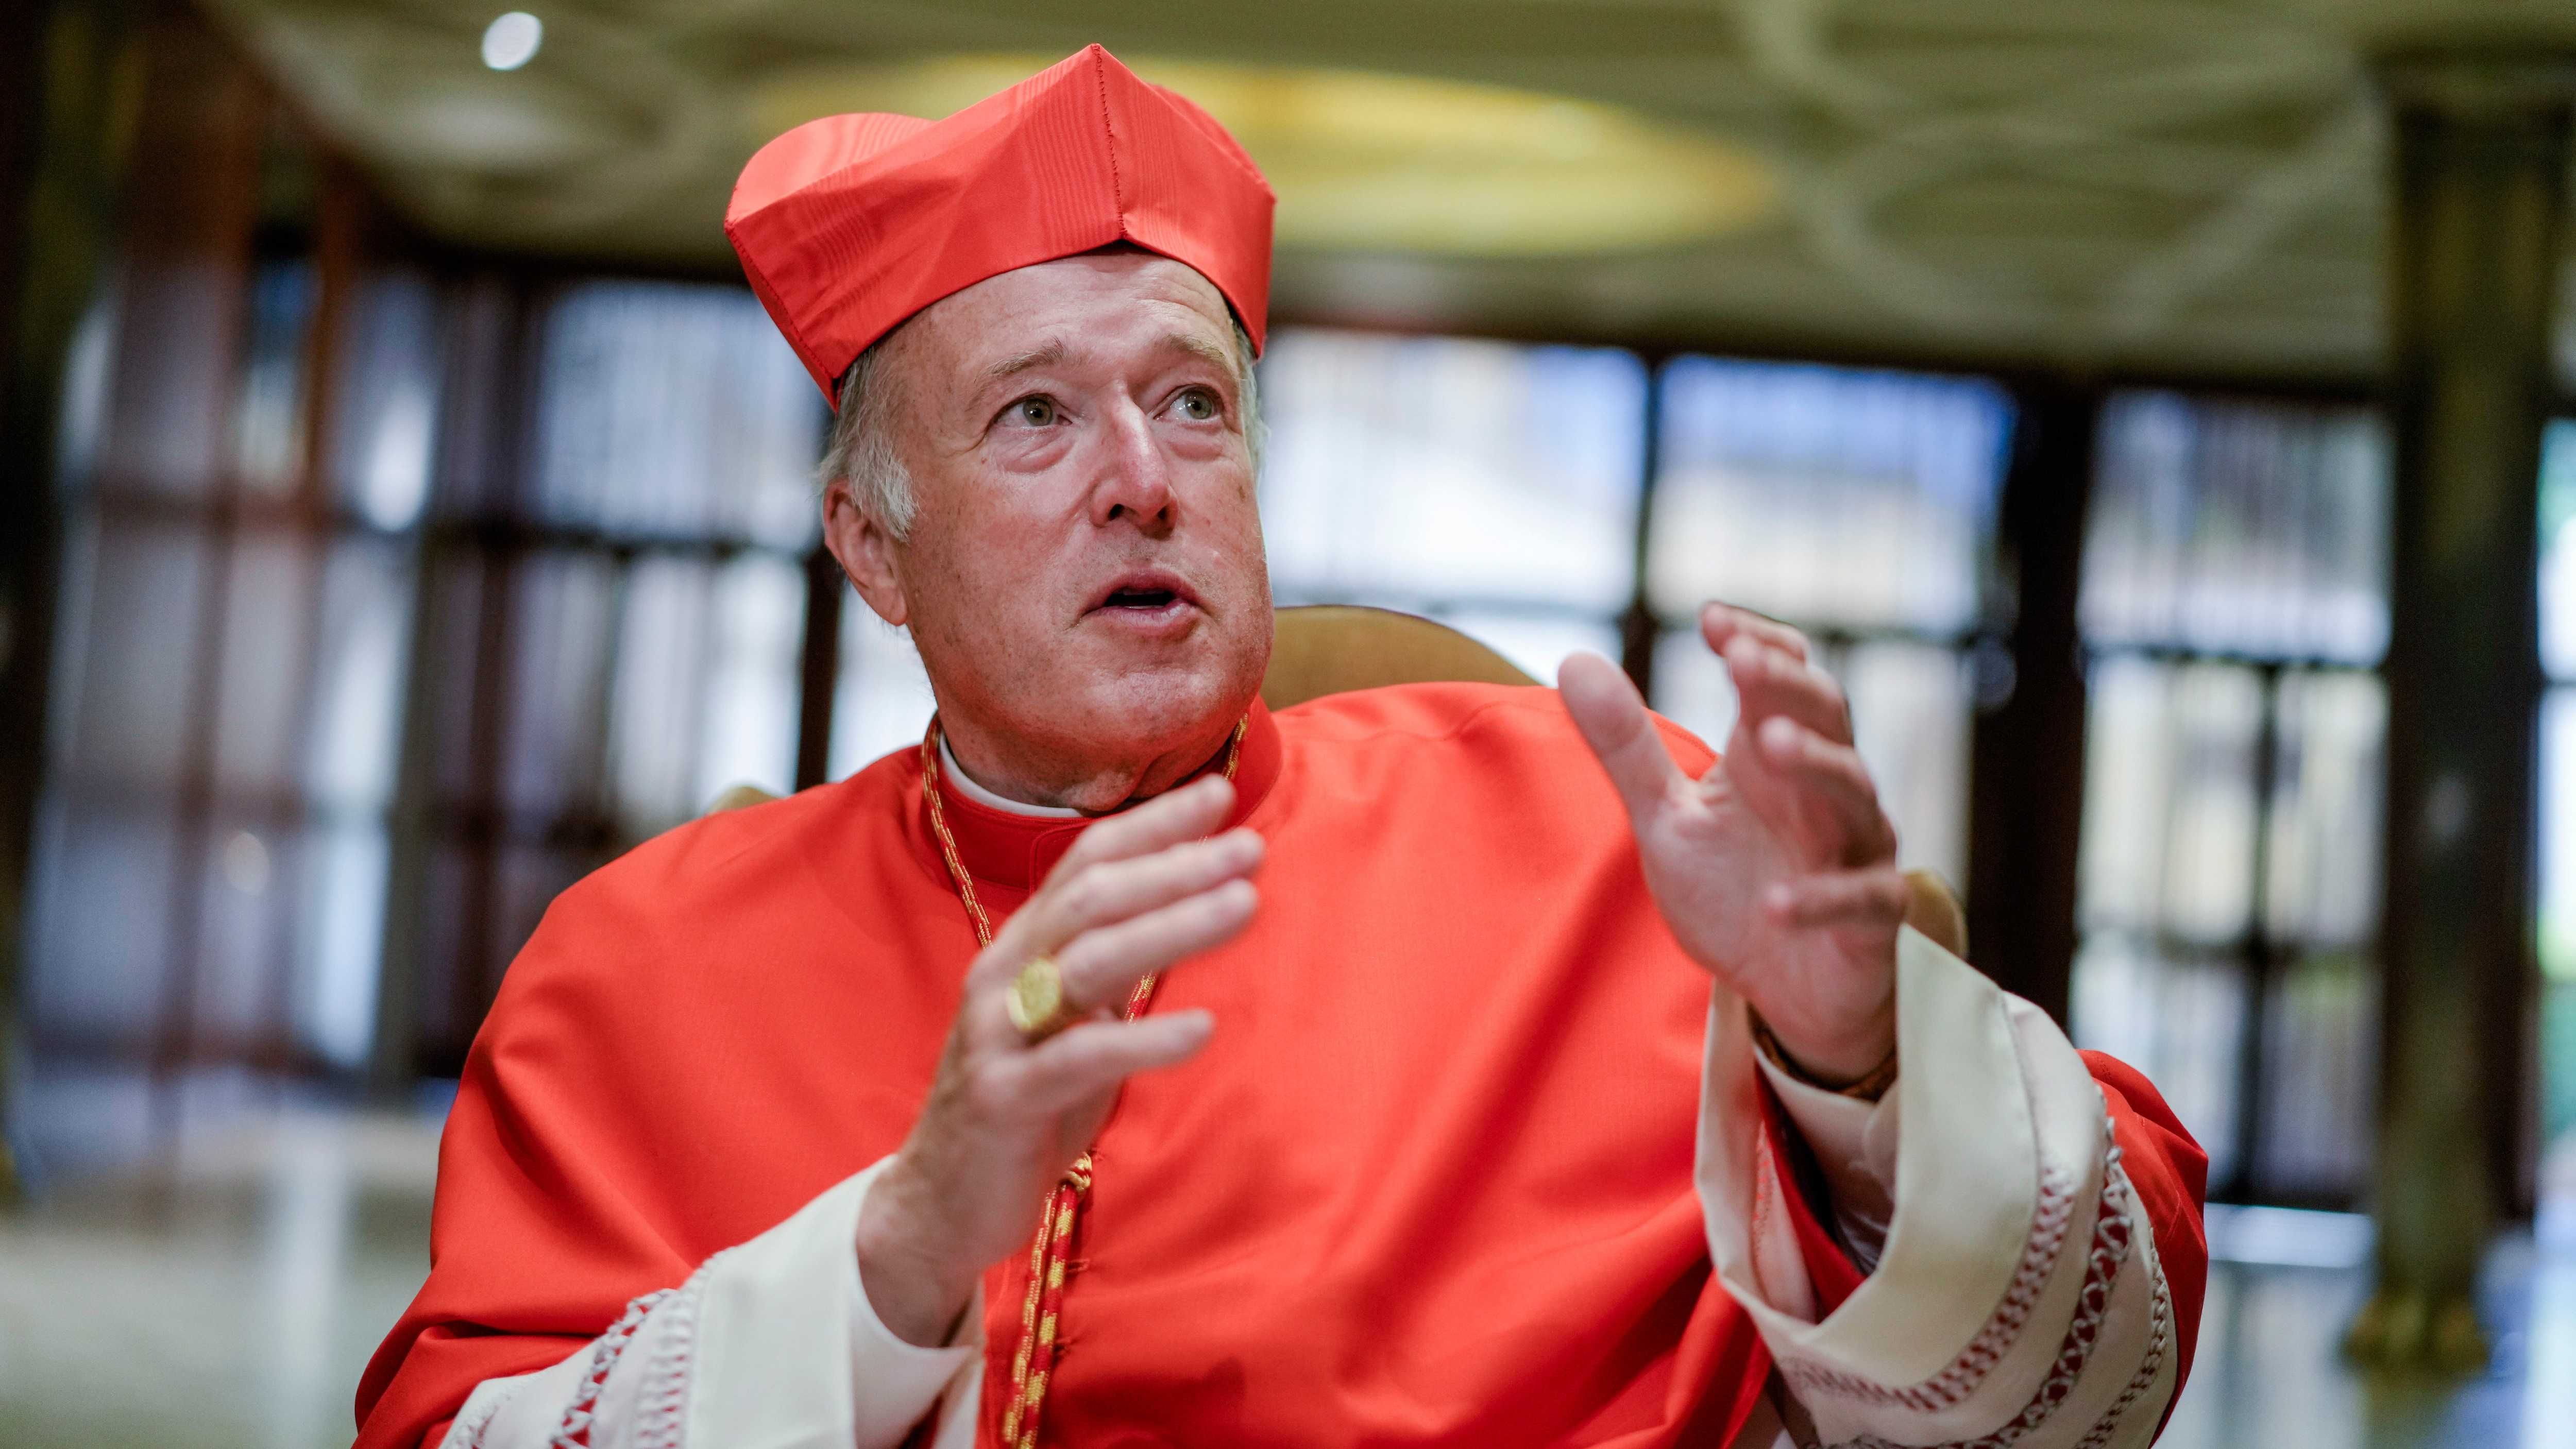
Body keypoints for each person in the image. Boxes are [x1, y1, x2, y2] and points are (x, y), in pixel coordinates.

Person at [355, 45, 2205, 1449]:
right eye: (1035, 416)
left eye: (1192, 403)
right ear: (872, 546)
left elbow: (2095, 1392)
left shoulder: (1599, 842)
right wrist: (901, 1252)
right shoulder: (643, 963)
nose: (1143, 479)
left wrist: (1863, 1073)